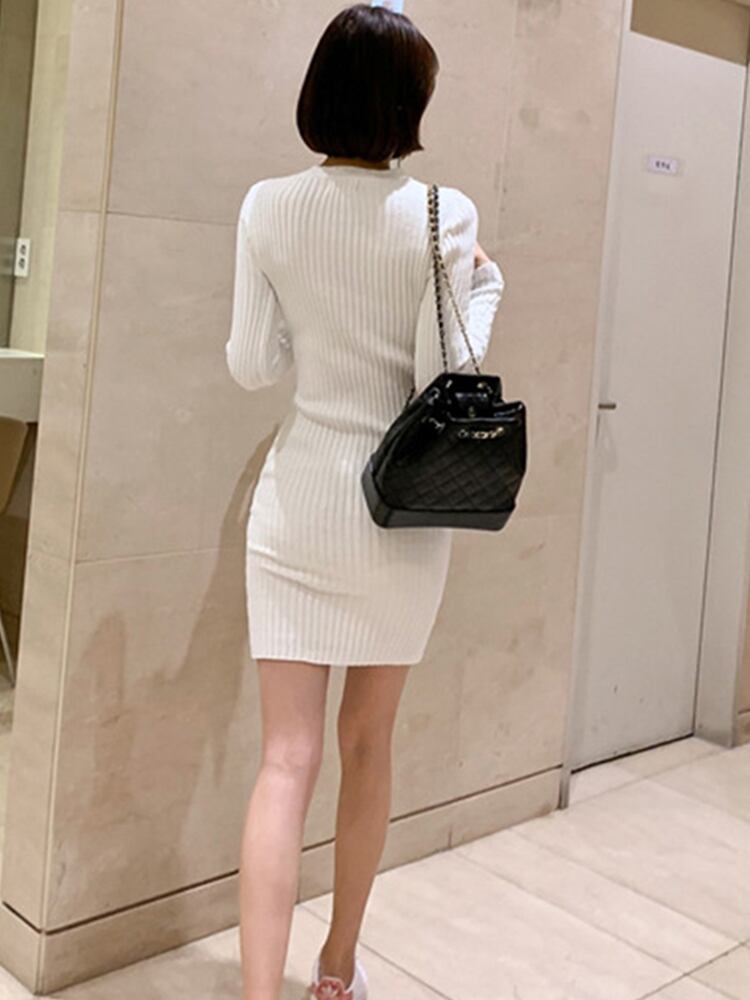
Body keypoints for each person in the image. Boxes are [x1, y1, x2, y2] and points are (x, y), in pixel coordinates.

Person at [225, 5, 505, 999]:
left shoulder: (267, 206)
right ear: (406, 106)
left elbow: (251, 364)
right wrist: (486, 286)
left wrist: (313, 327)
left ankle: (257, 991)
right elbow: (441, 374)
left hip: (297, 505)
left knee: (284, 760)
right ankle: (338, 966)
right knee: (366, 744)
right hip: (398, 516)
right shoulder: (443, 215)